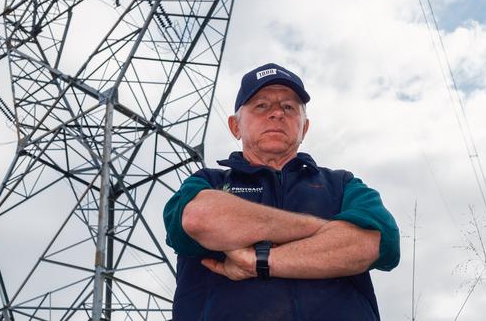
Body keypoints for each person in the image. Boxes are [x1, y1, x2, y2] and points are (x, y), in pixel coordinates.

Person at [163, 63, 400, 321]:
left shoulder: (342, 183)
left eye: (289, 107)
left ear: (304, 127)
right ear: (235, 127)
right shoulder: (208, 182)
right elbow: (199, 218)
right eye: (261, 106)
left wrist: (259, 261)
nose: (277, 113)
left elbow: (375, 241)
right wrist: (328, 233)